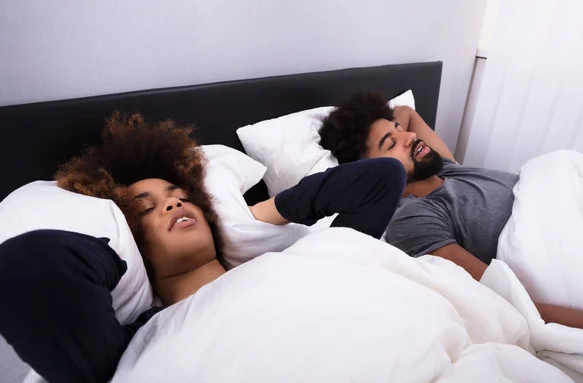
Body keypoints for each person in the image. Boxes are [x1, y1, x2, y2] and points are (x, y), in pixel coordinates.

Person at [0, 113, 405, 382]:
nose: (173, 203)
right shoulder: (136, 343)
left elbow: (382, 178)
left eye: (180, 195)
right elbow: (30, 267)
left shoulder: (294, 262)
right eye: (146, 210)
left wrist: (260, 216)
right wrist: (118, 253)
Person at [318, 91, 583, 333]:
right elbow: (507, 298)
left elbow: (406, 112)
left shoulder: (444, 168)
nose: (410, 137)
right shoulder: (413, 217)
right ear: (370, 174)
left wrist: (389, 134)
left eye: (398, 129)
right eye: (390, 143)